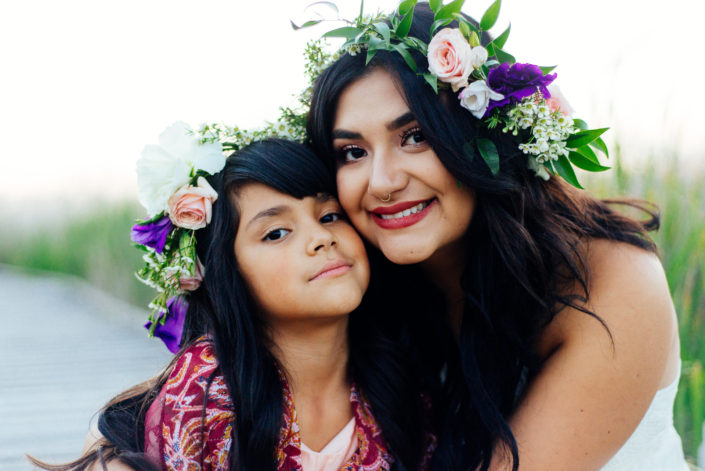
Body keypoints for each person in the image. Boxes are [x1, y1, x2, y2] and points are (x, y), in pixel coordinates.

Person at [305, 2, 689, 470]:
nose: (381, 182)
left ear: (484, 134)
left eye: (415, 136)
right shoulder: (374, 291)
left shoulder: (609, 279)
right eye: (352, 152)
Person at [30, 132, 435, 471]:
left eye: (329, 216)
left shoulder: (400, 384)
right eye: (277, 233)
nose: (321, 238)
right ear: (230, 273)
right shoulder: (204, 394)